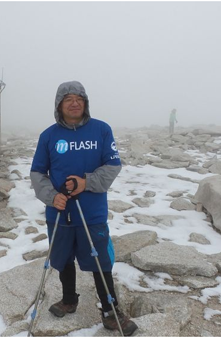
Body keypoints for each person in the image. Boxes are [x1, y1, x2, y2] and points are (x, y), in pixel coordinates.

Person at [30, 81, 137, 336]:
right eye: (68, 99)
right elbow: (37, 172)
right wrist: (51, 196)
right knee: (63, 258)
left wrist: (85, 182)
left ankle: (111, 312)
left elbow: (113, 166)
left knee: (101, 261)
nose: (75, 102)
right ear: (59, 105)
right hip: (60, 212)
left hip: (92, 212)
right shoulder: (49, 136)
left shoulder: (101, 130)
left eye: (79, 98)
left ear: (85, 102)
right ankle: (69, 300)